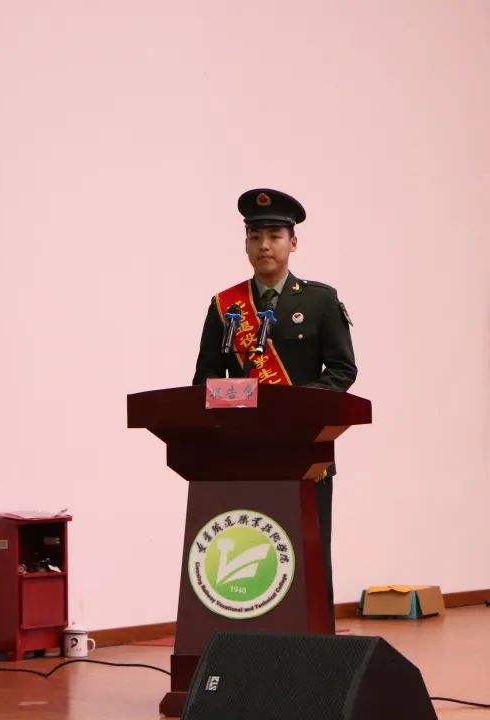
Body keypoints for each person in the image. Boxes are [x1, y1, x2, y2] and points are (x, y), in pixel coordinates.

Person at [192, 187, 357, 620]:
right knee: (248, 548)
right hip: (243, 450)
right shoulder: (225, 306)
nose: (264, 245)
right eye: (255, 236)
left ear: (292, 243)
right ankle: (246, 639)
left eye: (274, 236)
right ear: (246, 244)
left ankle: (316, 641)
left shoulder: (320, 300)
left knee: (308, 550)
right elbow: (205, 378)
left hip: (304, 448)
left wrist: (296, 406)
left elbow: (343, 370)